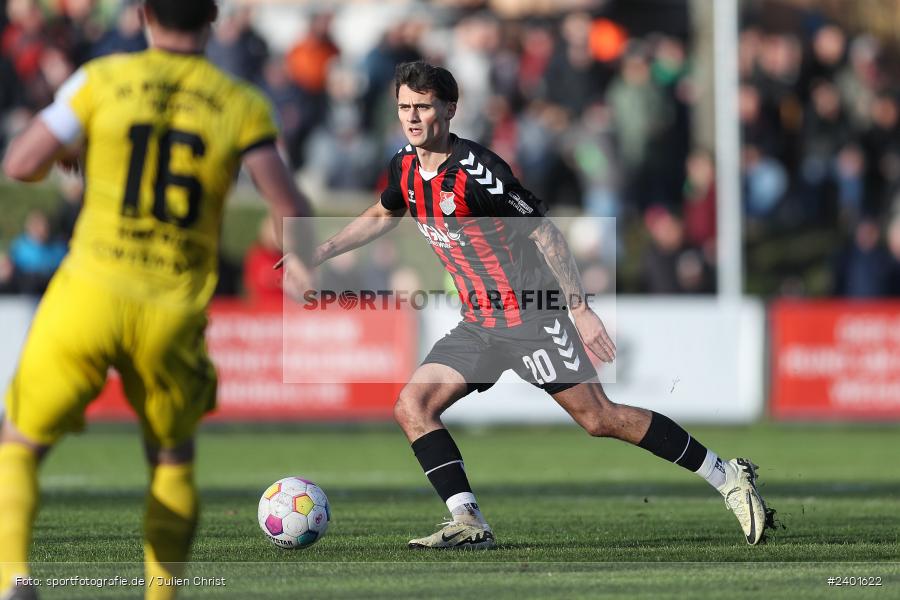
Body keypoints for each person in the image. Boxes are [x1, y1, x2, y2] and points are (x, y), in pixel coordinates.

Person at [298, 61, 774, 550]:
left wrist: (580, 309)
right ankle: (468, 521)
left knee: (599, 419)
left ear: (450, 109)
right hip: (478, 323)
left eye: (423, 106)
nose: (412, 117)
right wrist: (322, 249)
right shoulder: (404, 165)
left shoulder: (479, 173)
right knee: (412, 406)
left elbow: (544, 231)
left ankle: (727, 474)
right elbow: (384, 211)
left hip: (531, 316)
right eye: (404, 107)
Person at [0, 1, 312, 599]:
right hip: (171, 306)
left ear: (142, 13)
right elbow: (289, 203)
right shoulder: (240, 103)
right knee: (171, 457)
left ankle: (14, 576)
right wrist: (299, 259)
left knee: (20, 442)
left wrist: (77, 154)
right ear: (213, 18)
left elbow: (21, 163)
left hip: (88, 291)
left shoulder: (101, 79)